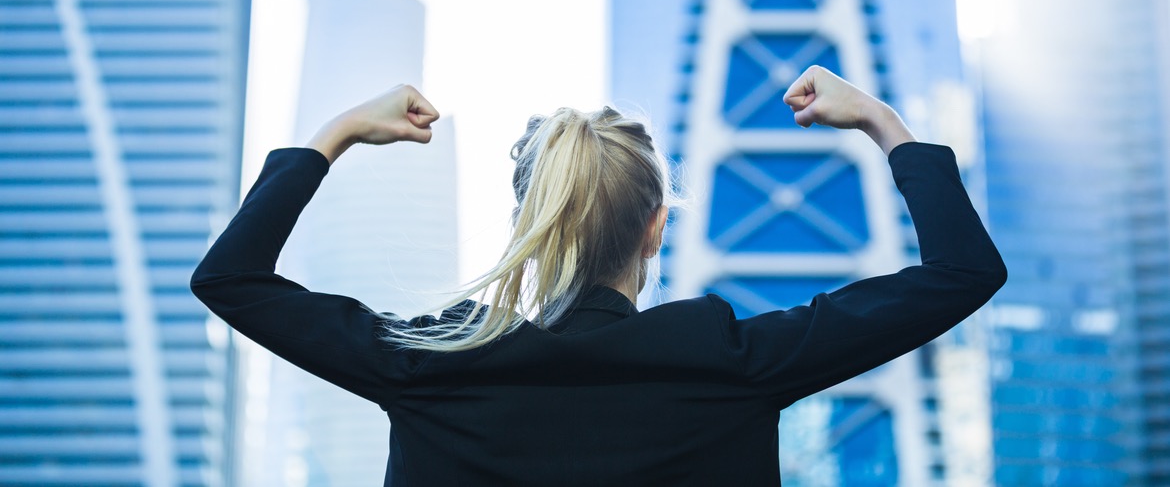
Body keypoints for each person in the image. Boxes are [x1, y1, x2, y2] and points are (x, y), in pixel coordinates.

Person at [191, 66, 1006, 486]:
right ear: (657, 226)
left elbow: (230, 280)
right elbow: (963, 271)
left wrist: (333, 134)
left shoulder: (431, 362)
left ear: (530, 224)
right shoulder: (732, 362)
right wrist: (880, 119)